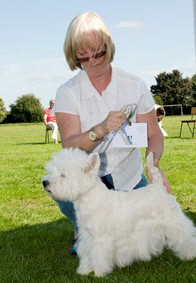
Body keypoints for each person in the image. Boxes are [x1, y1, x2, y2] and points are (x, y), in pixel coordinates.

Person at [53, 11, 171, 254]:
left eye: (98, 53)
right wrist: (101, 129)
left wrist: (154, 164)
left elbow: (154, 135)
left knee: (141, 227)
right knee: (64, 188)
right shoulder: (67, 92)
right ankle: (82, 227)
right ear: (73, 55)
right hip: (90, 180)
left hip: (129, 178)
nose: (93, 61)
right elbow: (69, 146)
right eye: (83, 57)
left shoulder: (134, 85)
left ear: (109, 47)